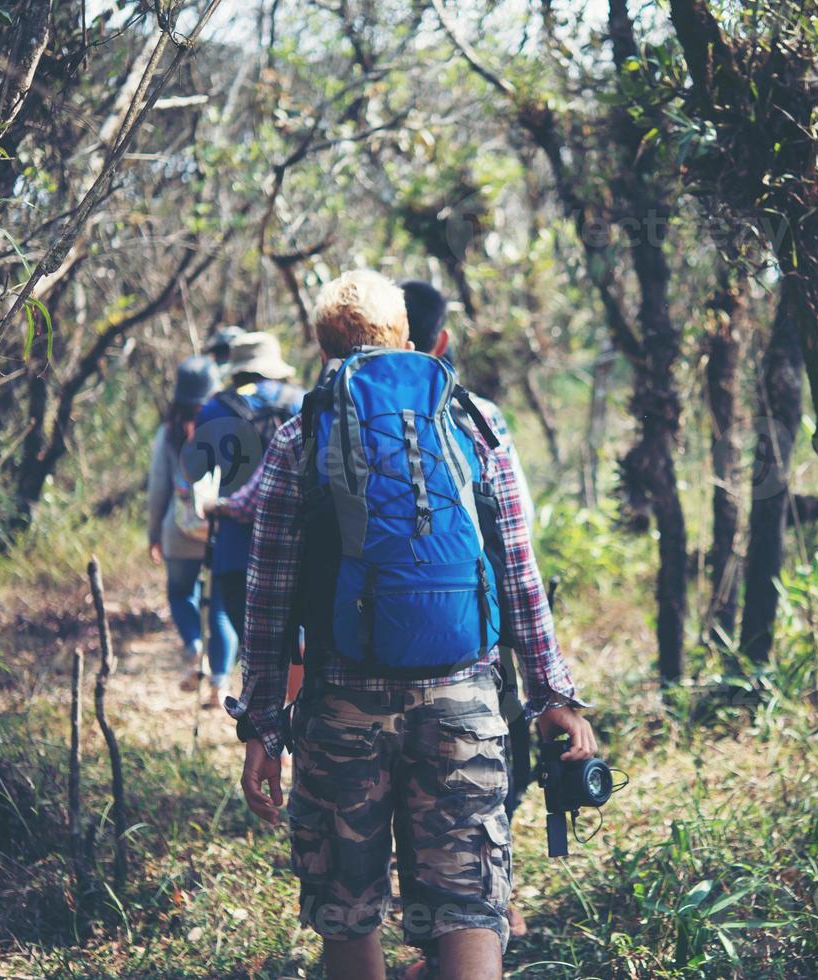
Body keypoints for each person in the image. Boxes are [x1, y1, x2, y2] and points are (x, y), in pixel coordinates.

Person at [229, 270, 595, 980]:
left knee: (348, 910)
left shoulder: (299, 433)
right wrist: (551, 696)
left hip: (340, 710)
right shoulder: (475, 421)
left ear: (322, 344)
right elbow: (517, 571)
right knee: (469, 909)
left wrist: (263, 728)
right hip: (463, 700)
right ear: (406, 338)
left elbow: (267, 601)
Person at [401, 279, 537, 939]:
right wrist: (550, 684)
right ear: (442, 341)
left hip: (353, 668)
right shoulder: (477, 416)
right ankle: (484, 909)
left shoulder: (321, 419)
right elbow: (516, 543)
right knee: (471, 802)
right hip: (467, 658)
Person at [187, 332, 305, 705]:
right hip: (298, 546)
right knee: (300, 644)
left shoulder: (213, 409)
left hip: (236, 549)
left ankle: (267, 734)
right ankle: (295, 719)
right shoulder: (303, 403)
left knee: (255, 651)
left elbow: (196, 471)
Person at [146, 356, 238, 688]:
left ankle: (195, 647)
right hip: (219, 528)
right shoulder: (226, 425)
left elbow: (158, 487)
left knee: (181, 593)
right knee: (221, 607)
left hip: (180, 531)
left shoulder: (168, 432)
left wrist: (153, 534)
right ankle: (221, 680)